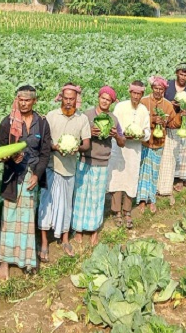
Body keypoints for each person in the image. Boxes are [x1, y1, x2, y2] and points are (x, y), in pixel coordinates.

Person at [0, 86, 51, 280]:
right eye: (20, 99)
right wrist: (12, 157)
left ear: (34, 101)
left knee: (27, 220)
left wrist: (37, 174)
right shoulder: (7, 123)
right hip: (13, 178)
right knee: (9, 218)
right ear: (16, 100)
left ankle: (27, 260)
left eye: (27, 100)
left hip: (31, 176)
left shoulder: (42, 123)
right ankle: (4, 261)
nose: (23, 103)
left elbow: (45, 153)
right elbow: (0, 152)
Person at [38, 83, 90, 258]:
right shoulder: (52, 116)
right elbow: (44, 142)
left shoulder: (82, 119)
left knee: (67, 204)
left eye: (72, 99)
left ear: (76, 100)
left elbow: (86, 144)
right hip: (51, 166)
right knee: (47, 204)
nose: (68, 102)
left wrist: (77, 148)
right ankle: (44, 242)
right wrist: (54, 146)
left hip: (69, 168)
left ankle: (65, 239)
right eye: (66, 98)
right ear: (61, 98)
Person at [73, 86, 125, 246]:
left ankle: (94, 229)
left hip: (102, 162)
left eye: (108, 99)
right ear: (98, 98)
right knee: (81, 196)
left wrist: (115, 134)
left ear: (111, 102)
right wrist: (89, 133)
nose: (104, 101)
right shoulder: (86, 115)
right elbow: (76, 137)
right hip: (84, 160)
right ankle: (79, 229)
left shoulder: (114, 119)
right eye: (103, 98)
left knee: (97, 197)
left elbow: (122, 142)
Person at [107, 81, 151, 229]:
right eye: (134, 93)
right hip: (119, 149)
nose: (136, 96)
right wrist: (123, 134)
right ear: (130, 93)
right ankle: (116, 211)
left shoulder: (144, 110)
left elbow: (147, 131)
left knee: (131, 179)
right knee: (117, 179)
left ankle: (127, 211)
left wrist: (141, 135)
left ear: (142, 95)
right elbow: (114, 125)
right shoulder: (120, 107)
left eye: (139, 94)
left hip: (134, 150)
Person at [137, 76, 180, 214]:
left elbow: (173, 123)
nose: (158, 91)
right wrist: (152, 120)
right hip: (144, 142)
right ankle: (142, 200)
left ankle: (152, 199)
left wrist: (181, 116)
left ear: (164, 90)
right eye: (156, 88)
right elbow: (137, 120)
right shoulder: (143, 102)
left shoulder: (168, 105)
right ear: (152, 88)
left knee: (154, 171)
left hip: (159, 142)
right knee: (143, 171)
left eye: (161, 89)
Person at [158, 63, 186, 200]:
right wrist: (171, 104)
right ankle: (161, 185)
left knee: (176, 156)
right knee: (164, 156)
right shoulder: (168, 85)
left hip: (180, 126)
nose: (183, 77)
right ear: (177, 73)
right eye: (181, 73)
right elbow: (160, 101)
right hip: (166, 125)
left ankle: (172, 183)